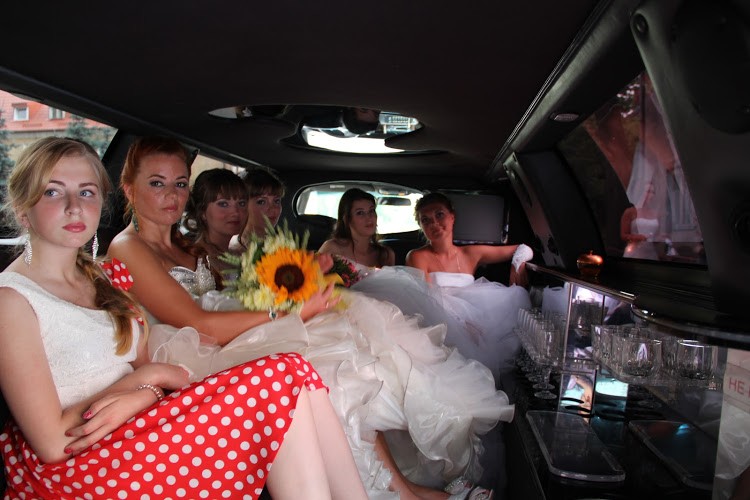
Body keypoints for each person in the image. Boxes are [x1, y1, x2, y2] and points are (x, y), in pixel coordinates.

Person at [112, 137, 502, 499]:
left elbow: (223, 301)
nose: (172, 195)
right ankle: (393, 492)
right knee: (328, 366)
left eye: (180, 184)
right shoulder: (128, 247)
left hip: (213, 338)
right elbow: (200, 322)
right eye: (157, 184)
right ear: (129, 189)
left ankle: (403, 487)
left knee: (347, 336)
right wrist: (289, 312)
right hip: (189, 356)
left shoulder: (183, 244)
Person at [0, 137, 368, 499]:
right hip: (83, 464)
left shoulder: (103, 278)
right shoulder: (12, 300)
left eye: (86, 192)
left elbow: (148, 371)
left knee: (294, 371)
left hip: (139, 424)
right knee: (280, 376)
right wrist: (147, 380)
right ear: (21, 208)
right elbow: (53, 444)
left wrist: (145, 393)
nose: (74, 207)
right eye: (53, 192)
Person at [183, 168, 248, 278]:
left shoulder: (241, 256)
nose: (235, 212)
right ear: (203, 212)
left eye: (241, 203)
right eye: (223, 204)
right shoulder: (196, 261)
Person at [319, 188, 395, 268]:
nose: (369, 217)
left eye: (371, 211)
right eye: (360, 213)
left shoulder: (386, 255)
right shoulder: (332, 249)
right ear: (347, 219)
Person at [229, 167, 285, 252]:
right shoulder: (231, 250)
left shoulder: (282, 246)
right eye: (261, 202)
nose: (273, 208)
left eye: (276, 201)